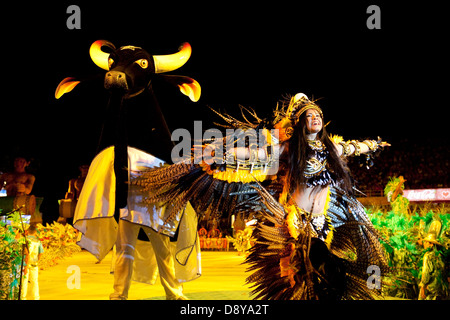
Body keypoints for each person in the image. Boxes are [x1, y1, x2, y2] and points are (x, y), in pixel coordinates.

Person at [134, 93, 391, 300]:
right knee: (305, 277)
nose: (315, 117)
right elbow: (253, 155)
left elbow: (355, 147)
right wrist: (219, 155)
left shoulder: (330, 148)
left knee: (327, 281)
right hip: (295, 226)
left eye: (318, 115)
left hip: (322, 224)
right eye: (309, 115)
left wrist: (375, 144)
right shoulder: (288, 149)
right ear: (300, 122)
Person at [21, 224, 44, 300]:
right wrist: (37, 260)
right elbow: (41, 252)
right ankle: (36, 297)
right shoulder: (38, 241)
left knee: (24, 281)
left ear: (27, 232)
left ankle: (23, 297)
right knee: (34, 281)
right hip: (34, 263)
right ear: (35, 232)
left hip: (24, 264)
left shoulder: (24, 240)